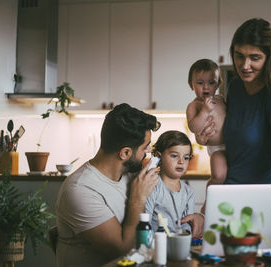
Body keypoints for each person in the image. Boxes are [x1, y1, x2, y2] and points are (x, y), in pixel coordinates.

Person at [55, 104, 203, 266]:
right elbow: (122, 250)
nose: (148, 151)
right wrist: (137, 199)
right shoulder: (80, 190)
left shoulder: (131, 175)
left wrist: (197, 217)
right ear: (125, 153)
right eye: (144, 147)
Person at [200, 18, 271, 185]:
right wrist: (205, 137)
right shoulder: (235, 86)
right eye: (239, 56)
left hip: (260, 195)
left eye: (254, 58)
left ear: (268, 58)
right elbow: (234, 141)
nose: (244, 66)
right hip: (229, 190)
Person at [185, 59, 227, 213]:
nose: (206, 87)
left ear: (218, 83)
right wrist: (204, 111)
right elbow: (194, 127)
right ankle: (208, 202)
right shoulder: (194, 106)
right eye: (200, 83)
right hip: (216, 148)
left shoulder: (221, 100)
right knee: (219, 175)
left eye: (211, 82)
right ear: (191, 85)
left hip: (232, 144)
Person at [145, 130, 195, 234]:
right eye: (174, 156)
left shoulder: (189, 192)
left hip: (179, 243)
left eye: (186, 157)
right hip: (156, 243)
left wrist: (186, 234)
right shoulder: (152, 186)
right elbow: (145, 221)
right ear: (159, 157)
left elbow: (187, 222)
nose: (181, 161)